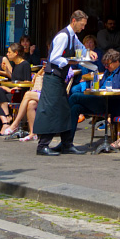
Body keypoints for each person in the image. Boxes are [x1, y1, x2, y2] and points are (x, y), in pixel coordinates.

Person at [34, 10, 96, 156]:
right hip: (52, 78)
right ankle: (42, 146)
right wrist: (71, 61)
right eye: (82, 24)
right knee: (50, 110)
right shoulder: (63, 36)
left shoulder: (73, 36)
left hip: (59, 79)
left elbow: (80, 48)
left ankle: (67, 144)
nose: (83, 28)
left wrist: (88, 53)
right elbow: (54, 58)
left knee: (64, 110)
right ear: (74, 21)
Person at [67, 49, 120, 141]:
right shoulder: (107, 72)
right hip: (99, 100)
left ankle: (61, 121)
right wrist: (93, 90)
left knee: (75, 96)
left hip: (112, 103)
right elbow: (100, 86)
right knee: (75, 107)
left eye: (108, 64)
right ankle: (67, 142)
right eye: (105, 65)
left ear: (116, 62)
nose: (106, 67)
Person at [0, 43, 32, 134]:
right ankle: (7, 119)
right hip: (14, 91)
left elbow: (27, 82)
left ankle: (7, 121)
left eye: (9, 52)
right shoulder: (15, 64)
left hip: (20, 93)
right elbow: (14, 79)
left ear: (16, 53)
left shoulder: (25, 64)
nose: (7, 54)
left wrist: (10, 90)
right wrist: (6, 71)